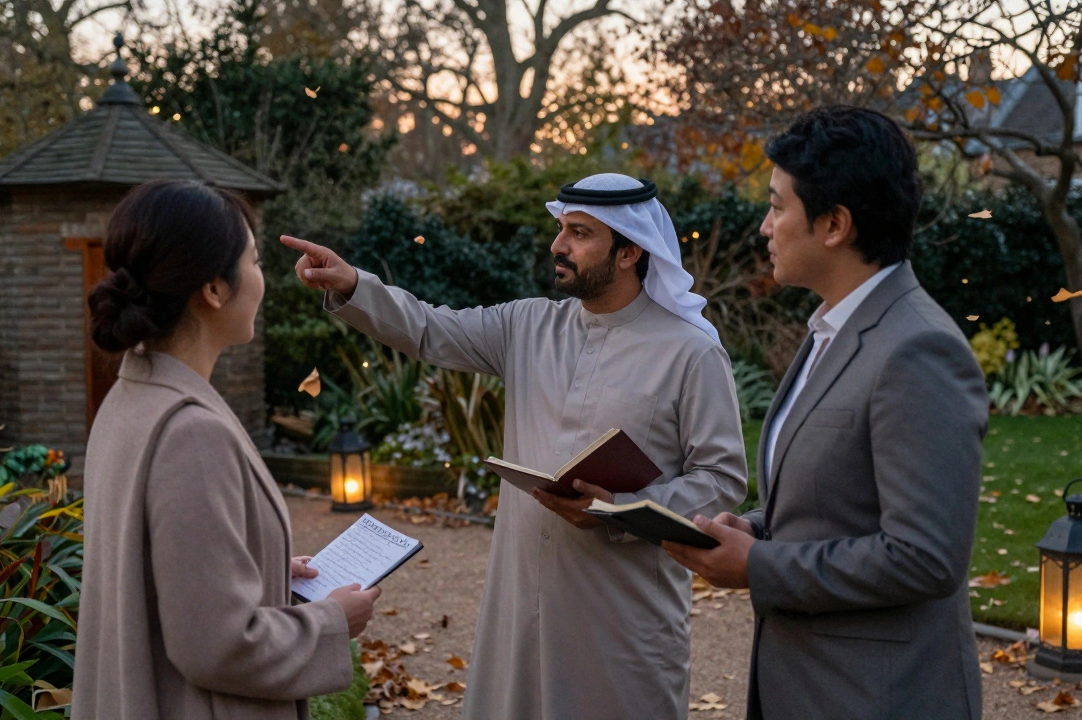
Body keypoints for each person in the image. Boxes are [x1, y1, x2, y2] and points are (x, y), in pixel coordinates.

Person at [280, 173, 747, 719]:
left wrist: (617, 511)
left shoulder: (690, 352)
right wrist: (354, 284)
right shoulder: (526, 325)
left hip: (623, 615)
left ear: (629, 252)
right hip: (518, 605)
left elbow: (721, 481)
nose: (558, 246)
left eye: (579, 233)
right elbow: (431, 330)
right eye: (560, 229)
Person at [664, 106, 989, 720]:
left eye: (778, 206)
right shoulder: (829, 330)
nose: (764, 226)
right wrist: (757, 529)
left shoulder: (918, 349)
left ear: (835, 224)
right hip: (809, 684)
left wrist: (758, 564)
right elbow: (840, 500)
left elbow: (925, 556)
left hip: (877, 697)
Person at [73, 179, 380, 720]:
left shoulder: (128, 399)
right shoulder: (191, 431)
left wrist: (257, 568)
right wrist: (332, 621)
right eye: (256, 261)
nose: (263, 281)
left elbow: (153, 571)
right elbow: (216, 645)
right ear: (214, 288)